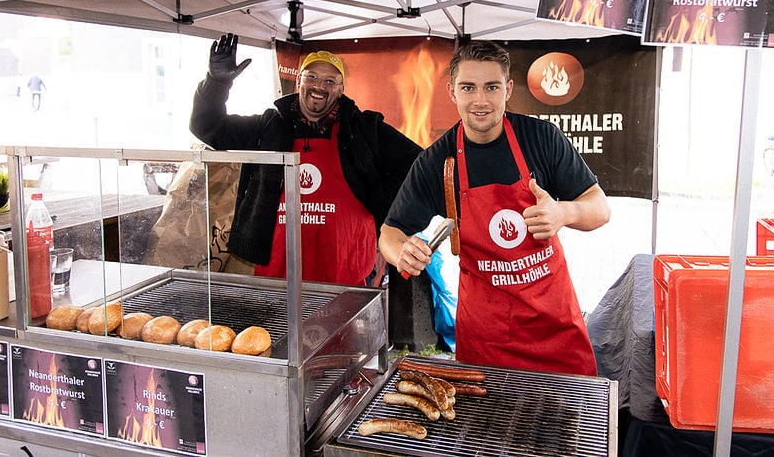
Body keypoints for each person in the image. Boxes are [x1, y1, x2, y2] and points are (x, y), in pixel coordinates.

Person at [379, 40, 611, 376]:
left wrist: (565, 213)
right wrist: (401, 251)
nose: (480, 100)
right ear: (452, 91)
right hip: (486, 338)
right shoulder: (436, 161)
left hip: (554, 329)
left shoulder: (541, 138)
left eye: (491, 87)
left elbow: (600, 208)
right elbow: (389, 232)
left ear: (508, 89)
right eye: (468, 88)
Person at [190, 33, 421, 287]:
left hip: (346, 269)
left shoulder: (363, 128)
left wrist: (379, 202)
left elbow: (416, 162)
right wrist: (215, 84)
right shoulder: (269, 125)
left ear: (342, 89)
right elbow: (207, 127)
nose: (319, 85)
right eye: (311, 76)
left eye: (329, 80)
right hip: (277, 271)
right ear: (298, 82)